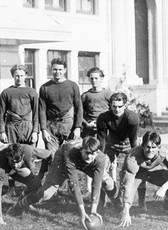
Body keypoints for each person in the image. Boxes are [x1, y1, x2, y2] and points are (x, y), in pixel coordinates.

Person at [6, 137, 119, 230]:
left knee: (108, 183)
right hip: (63, 159)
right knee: (46, 193)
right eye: (87, 153)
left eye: (93, 154)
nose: (89, 156)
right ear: (81, 150)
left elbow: (96, 183)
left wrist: (93, 210)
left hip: (86, 164)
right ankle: (19, 205)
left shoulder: (100, 158)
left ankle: (118, 205)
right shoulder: (71, 153)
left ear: (98, 152)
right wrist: (83, 212)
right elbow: (74, 184)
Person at [0, 143, 52, 225]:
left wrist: (40, 175)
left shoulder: (27, 150)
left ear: (23, 156)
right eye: (13, 161)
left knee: (36, 184)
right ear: (8, 156)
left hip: (9, 168)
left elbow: (49, 155)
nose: (16, 165)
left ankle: (19, 205)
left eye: (18, 162)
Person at [119, 131, 168, 227]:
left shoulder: (163, 152)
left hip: (153, 171)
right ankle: (138, 205)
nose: (150, 150)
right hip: (136, 174)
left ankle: (167, 204)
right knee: (129, 196)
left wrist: (164, 188)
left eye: (154, 147)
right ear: (142, 145)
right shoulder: (133, 155)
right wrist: (126, 211)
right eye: (148, 147)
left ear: (159, 148)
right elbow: (128, 182)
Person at [0, 64, 39, 196]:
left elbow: (37, 113)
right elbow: (1, 114)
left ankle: (32, 187)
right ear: (13, 76)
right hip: (11, 127)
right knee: (11, 157)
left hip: (27, 126)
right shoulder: (6, 92)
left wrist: (35, 132)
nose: (19, 78)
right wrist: (2, 131)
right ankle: (11, 188)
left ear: (25, 76)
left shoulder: (31, 92)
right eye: (16, 75)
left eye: (21, 75)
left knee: (29, 157)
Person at [39, 58, 83, 154]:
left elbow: (79, 107)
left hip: (68, 125)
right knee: (52, 157)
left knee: (70, 155)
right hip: (51, 127)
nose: (57, 72)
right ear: (51, 69)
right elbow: (42, 109)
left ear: (65, 70)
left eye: (60, 69)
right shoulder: (45, 87)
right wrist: (43, 130)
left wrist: (77, 127)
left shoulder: (72, 86)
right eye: (55, 69)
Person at [81, 67, 113, 196]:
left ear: (101, 79)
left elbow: (114, 113)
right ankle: (89, 188)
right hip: (89, 130)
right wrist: (86, 123)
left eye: (96, 78)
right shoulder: (85, 95)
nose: (94, 81)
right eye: (92, 78)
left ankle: (110, 184)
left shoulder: (108, 94)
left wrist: (102, 123)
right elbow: (80, 113)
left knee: (107, 157)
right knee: (89, 156)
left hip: (104, 130)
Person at [96, 92, 139, 182]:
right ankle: (109, 188)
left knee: (133, 166)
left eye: (120, 107)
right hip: (112, 143)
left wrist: (135, 155)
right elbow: (101, 139)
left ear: (125, 106)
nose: (117, 109)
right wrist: (101, 156)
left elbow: (133, 138)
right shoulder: (103, 117)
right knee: (102, 165)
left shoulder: (132, 118)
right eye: (114, 106)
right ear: (110, 105)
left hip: (127, 142)